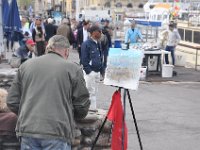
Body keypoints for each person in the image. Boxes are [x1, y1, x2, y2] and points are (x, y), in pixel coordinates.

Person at [7, 35, 90, 150]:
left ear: (48, 48)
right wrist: (70, 115)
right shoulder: (72, 69)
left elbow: (12, 101)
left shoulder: (26, 65)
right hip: (57, 131)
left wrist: (27, 113)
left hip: (28, 130)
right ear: (66, 51)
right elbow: (82, 105)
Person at [81, 25, 103, 111]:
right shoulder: (86, 44)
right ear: (93, 32)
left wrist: (101, 69)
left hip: (97, 71)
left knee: (95, 91)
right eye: (99, 31)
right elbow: (84, 59)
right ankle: (90, 108)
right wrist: (89, 71)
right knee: (90, 91)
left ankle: (92, 108)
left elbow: (100, 56)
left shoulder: (98, 43)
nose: (101, 33)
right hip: (90, 72)